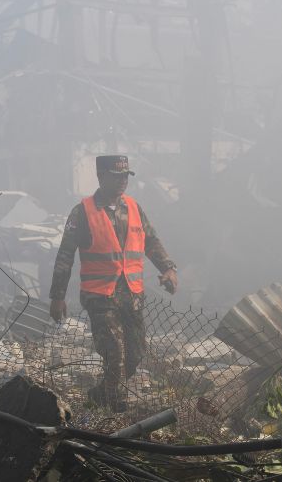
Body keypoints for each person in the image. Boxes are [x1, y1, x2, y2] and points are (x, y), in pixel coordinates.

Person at [49, 155, 178, 411]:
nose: (122, 182)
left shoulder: (133, 207)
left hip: (131, 294)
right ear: (101, 177)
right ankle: (113, 409)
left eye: (125, 177)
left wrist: (168, 268)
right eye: (116, 176)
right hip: (100, 296)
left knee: (136, 353)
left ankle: (99, 395)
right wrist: (58, 296)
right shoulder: (82, 212)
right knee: (115, 354)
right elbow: (65, 255)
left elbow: (150, 241)